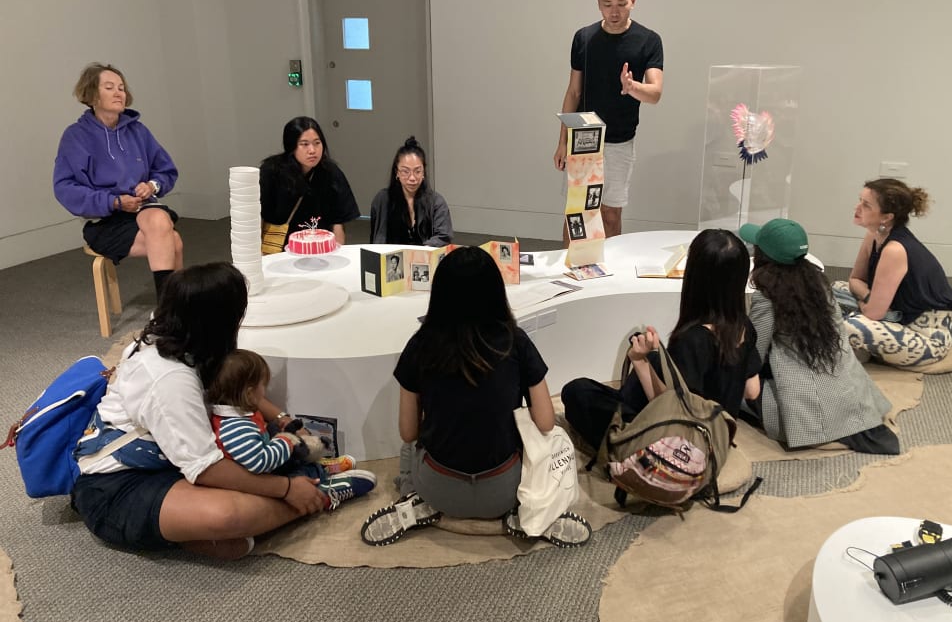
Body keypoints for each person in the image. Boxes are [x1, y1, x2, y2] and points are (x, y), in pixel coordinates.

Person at [70, 262, 374, 560]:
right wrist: (285, 489)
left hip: (169, 461)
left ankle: (210, 532)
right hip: (118, 488)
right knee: (227, 515)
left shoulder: (180, 334)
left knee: (259, 451)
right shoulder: (169, 379)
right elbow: (205, 468)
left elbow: (236, 390)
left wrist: (281, 420)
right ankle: (317, 494)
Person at [360, 247, 591, 547]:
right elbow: (546, 422)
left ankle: (413, 497)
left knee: (408, 450)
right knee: (544, 439)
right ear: (496, 292)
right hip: (504, 490)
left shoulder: (420, 344)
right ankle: (530, 511)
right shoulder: (515, 340)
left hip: (438, 487)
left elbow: (408, 432)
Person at [561, 229, 761, 451]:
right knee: (657, 360)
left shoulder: (693, 339)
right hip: (721, 432)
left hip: (686, 441)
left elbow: (673, 411)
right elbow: (752, 391)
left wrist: (639, 360)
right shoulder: (744, 326)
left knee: (577, 391)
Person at [739, 219, 899, 454]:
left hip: (808, 407)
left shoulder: (767, 297)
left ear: (761, 255)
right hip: (849, 390)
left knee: (733, 383)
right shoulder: (819, 284)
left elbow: (754, 353)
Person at [53, 63, 183, 302]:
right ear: (92, 95)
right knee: (172, 241)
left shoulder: (138, 131)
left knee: (157, 218)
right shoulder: (75, 136)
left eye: (121, 88)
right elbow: (65, 188)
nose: (118, 93)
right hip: (105, 221)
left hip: (144, 211)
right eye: (109, 87)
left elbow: (166, 171)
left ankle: (170, 310)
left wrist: (152, 186)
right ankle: (175, 308)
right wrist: (113, 202)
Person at [553, 0, 664, 239]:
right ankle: (571, 271)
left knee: (611, 213)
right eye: (607, 4)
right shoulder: (584, 38)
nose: (614, 11)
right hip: (584, 135)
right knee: (577, 213)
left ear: (633, 1)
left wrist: (632, 86)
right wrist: (562, 141)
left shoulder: (648, 40)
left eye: (621, 4)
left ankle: (609, 275)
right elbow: (573, 92)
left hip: (620, 140)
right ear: (598, 2)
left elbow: (655, 93)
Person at [836, 178, 952, 368]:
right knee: (835, 288)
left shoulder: (895, 250)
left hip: (926, 333)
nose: (857, 207)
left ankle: (858, 347)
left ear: (886, 217)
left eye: (866, 205)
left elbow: (874, 312)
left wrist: (871, 304)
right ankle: (861, 347)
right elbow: (854, 280)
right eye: (860, 200)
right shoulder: (874, 234)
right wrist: (869, 296)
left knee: (847, 326)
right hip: (896, 312)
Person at [205, 348, 367, 491]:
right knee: (301, 473)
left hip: (270, 454)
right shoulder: (237, 429)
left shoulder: (237, 412)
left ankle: (316, 463)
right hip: (266, 474)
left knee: (281, 435)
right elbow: (259, 462)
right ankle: (320, 477)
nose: (265, 391)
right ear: (249, 394)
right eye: (263, 385)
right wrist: (285, 441)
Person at [259, 117, 359, 248]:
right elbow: (257, 214)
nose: (312, 150)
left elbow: (338, 221)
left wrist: (337, 251)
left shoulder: (330, 172)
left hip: (320, 248)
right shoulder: (272, 171)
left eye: (317, 143)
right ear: (291, 146)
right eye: (304, 144)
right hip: (281, 249)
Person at [369, 136, 452, 247]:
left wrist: (418, 253)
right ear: (396, 172)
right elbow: (377, 237)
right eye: (405, 171)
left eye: (417, 171)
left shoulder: (436, 202)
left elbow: (444, 236)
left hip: (426, 259)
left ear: (423, 173)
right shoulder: (383, 199)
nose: (412, 178)